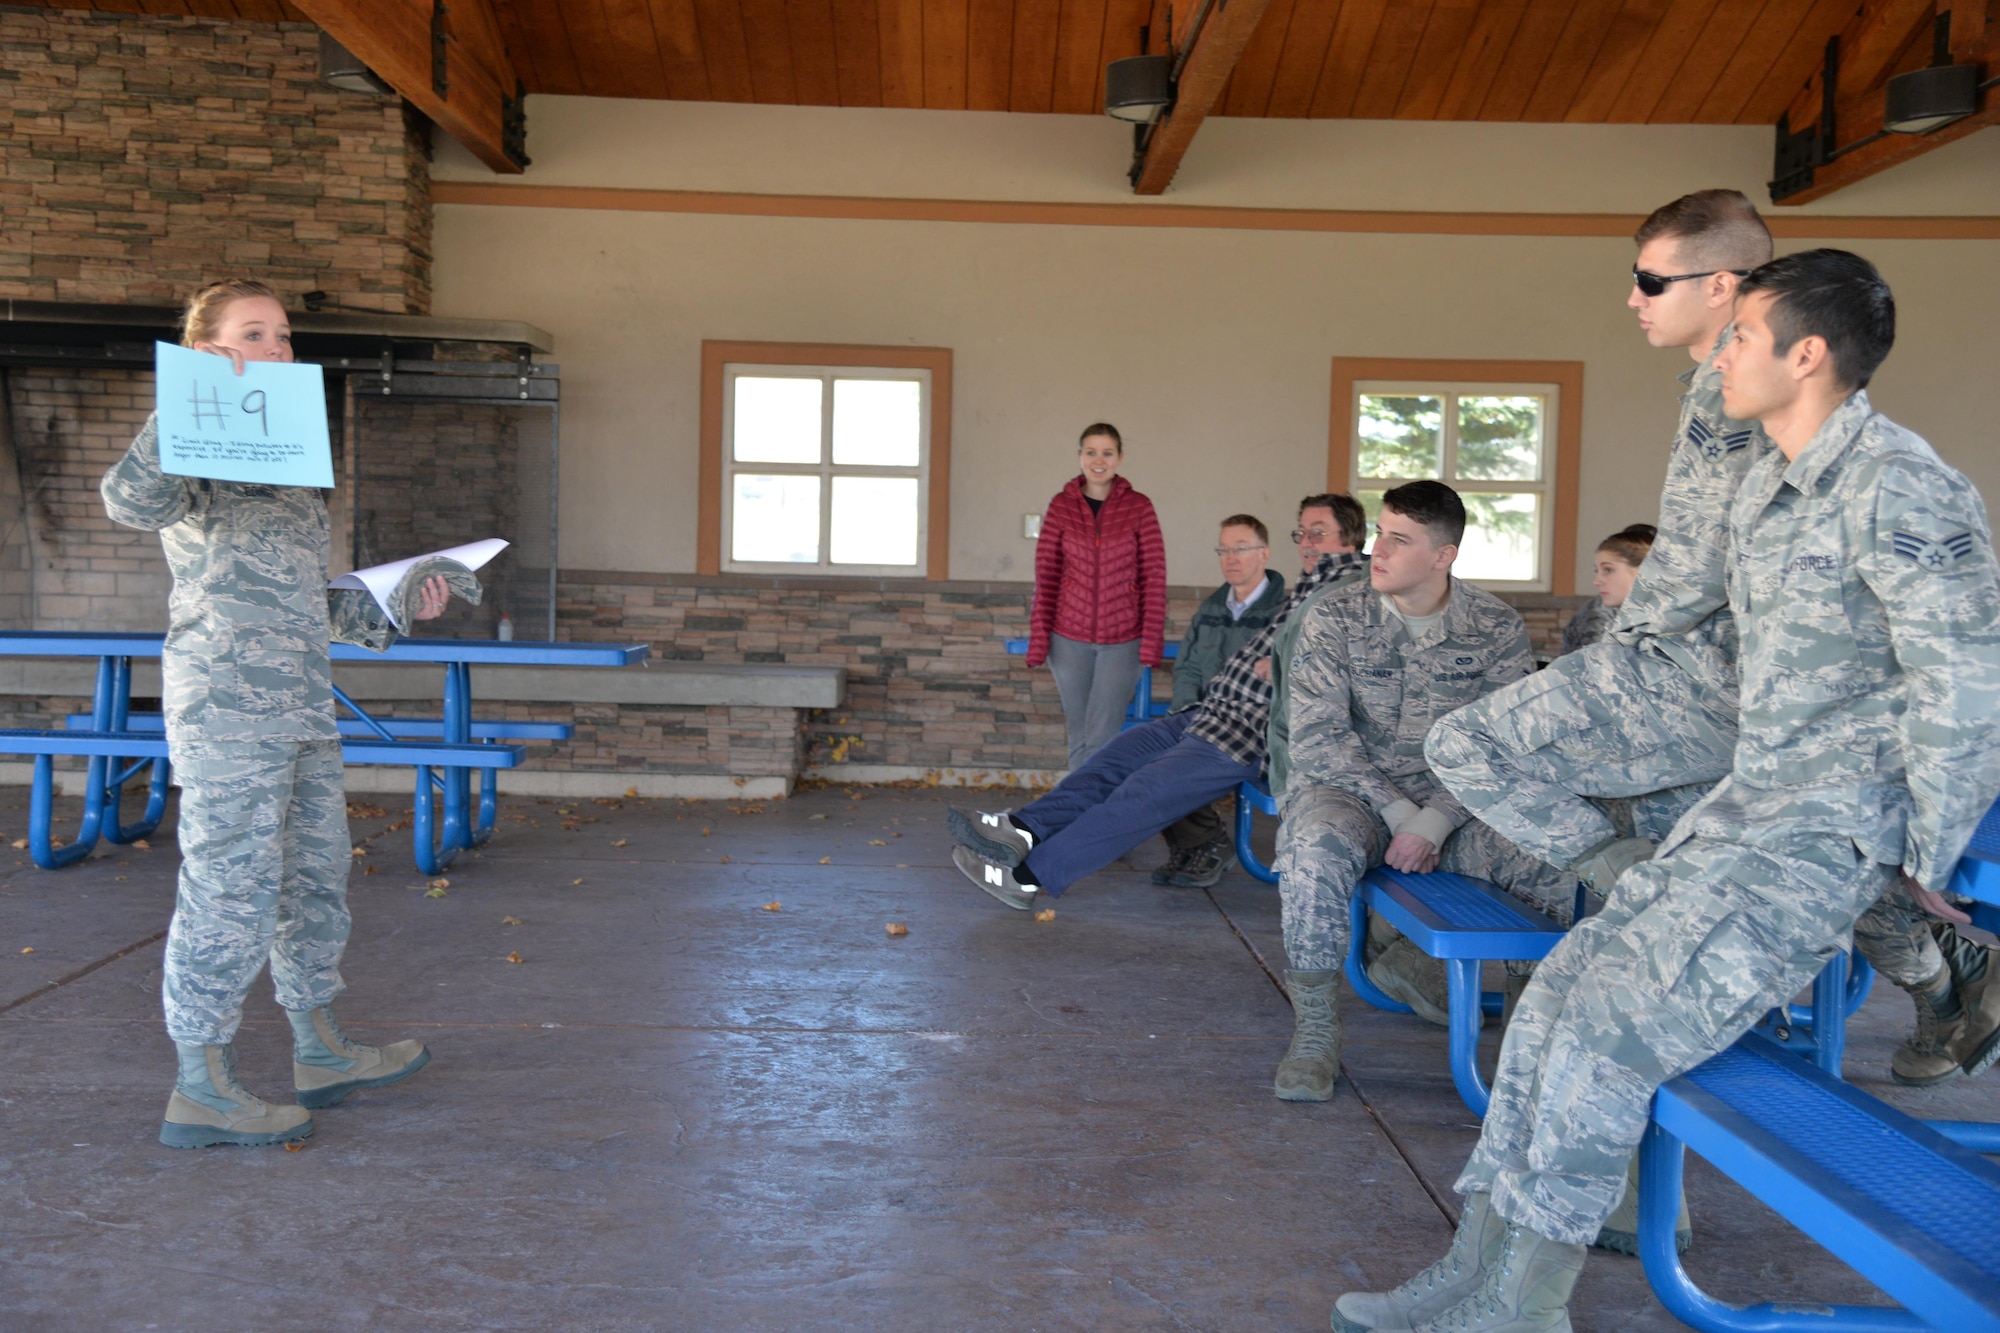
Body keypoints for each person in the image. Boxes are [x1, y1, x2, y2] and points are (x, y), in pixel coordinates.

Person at [1333, 250, 2000, 1333]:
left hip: (1813, 841)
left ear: (1807, 354)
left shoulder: (1903, 486)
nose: (1722, 352)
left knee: (1605, 1031)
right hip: (1734, 813)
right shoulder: (1769, 484)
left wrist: (1925, 853)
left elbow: (1964, 676)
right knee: (1552, 1001)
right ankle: (1472, 1267)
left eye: (1742, 335)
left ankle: (1524, 1302)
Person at [1427, 190, 1996, 1113]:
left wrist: (1634, 640)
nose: (1634, 296)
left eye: (1652, 279)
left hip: (1714, 682)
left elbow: (1714, 566)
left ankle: (1944, 972)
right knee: (1651, 921)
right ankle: (1946, 976)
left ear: (1722, 284)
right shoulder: (1725, 383)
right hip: (1714, 684)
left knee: (1494, 764)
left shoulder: (1789, 413)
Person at [102, 279, 455, 1149]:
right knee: (229, 888)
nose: (273, 348)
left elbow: (303, 599)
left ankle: (320, 1047)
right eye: (249, 334)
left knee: (312, 878)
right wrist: (186, 398)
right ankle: (202, 1086)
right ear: (206, 351)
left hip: (301, 700)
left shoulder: (290, 465)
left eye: (282, 335)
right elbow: (127, 501)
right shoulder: (193, 452)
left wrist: (401, 600)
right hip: (225, 705)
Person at [1272, 482, 1575, 1103]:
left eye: (1399, 539)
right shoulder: (1334, 617)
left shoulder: (1494, 627)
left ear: (1444, 556)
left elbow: (1505, 746)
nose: (1377, 550)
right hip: (1350, 794)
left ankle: (1529, 1040)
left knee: (1549, 846)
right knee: (1313, 850)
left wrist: (1434, 820)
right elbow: (1319, 737)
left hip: (1457, 807)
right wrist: (1401, 814)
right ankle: (1316, 1034)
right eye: (1380, 533)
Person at [949, 495, 1369, 909]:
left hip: (1246, 734)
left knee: (1140, 797)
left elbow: (1343, 669)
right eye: (1302, 533)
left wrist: (1280, 665)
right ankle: (1018, 830)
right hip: (1208, 713)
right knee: (1111, 762)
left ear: (1351, 538)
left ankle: (1025, 878)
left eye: (1319, 533)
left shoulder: (1349, 593)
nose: (1307, 543)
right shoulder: (1313, 585)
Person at [1151, 513, 1286, 888]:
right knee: (1151, 754)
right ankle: (1191, 846)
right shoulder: (1210, 608)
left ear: (1264, 553)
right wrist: (1183, 712)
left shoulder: (1282, 614)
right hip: (1202, 719)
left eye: (1241, 548)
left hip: (1249, 730)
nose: (1231, 558)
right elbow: (1189, 669)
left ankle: (1210, 844)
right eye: (1223, 550)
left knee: (1179, 765)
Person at [1025, 422, 1167, 769]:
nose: (1098, 460)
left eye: (1107, 453)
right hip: (1068, 639)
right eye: (1091, 452)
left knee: (1101, 734)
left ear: (1119, 458)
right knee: (1079, 732)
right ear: (1080, 457)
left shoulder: (1139, 507)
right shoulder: (1061, 506)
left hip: (1123, 641)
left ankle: (1082, 814)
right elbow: (1047, 576)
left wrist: (1150, 643)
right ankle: (1082, 814)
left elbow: (1154, 577)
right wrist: (1039, 639)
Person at [1558, 524, 1655, 655]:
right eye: (1597, 570)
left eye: (1608, 570)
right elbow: (1594, 666)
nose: (1596, 581)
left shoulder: (1669, 617)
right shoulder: (1600, 613)